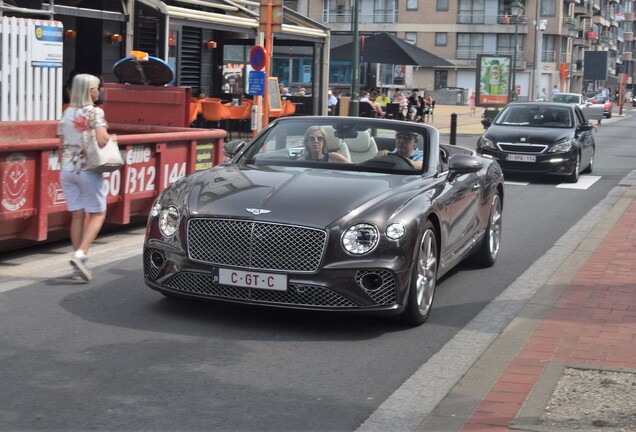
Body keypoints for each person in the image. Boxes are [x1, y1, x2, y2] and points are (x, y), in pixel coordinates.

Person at [57, 74, 112, 282]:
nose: (99, 91)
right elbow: (102, 139)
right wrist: (112, 137)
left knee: (77, 215)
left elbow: (61, 145)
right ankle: (81, 254)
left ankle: (78, 262)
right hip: (88, 168)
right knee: (98, 214)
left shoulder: (66, 113)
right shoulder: (95, 112)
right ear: (90, 90)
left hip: (68, 169)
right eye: (97, 87)